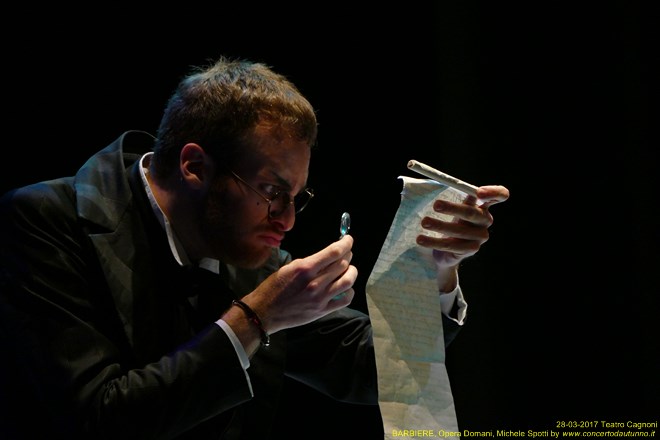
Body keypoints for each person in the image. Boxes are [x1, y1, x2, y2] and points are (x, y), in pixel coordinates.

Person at [0, 56, 509, 439]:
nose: (287, 220)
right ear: (194, 167)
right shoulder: (46, 221)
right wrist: (257, 317)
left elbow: (375, 371)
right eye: (271, 192)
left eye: (296, 197)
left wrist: (432, 269)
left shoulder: (248, 252)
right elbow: (96, 419)